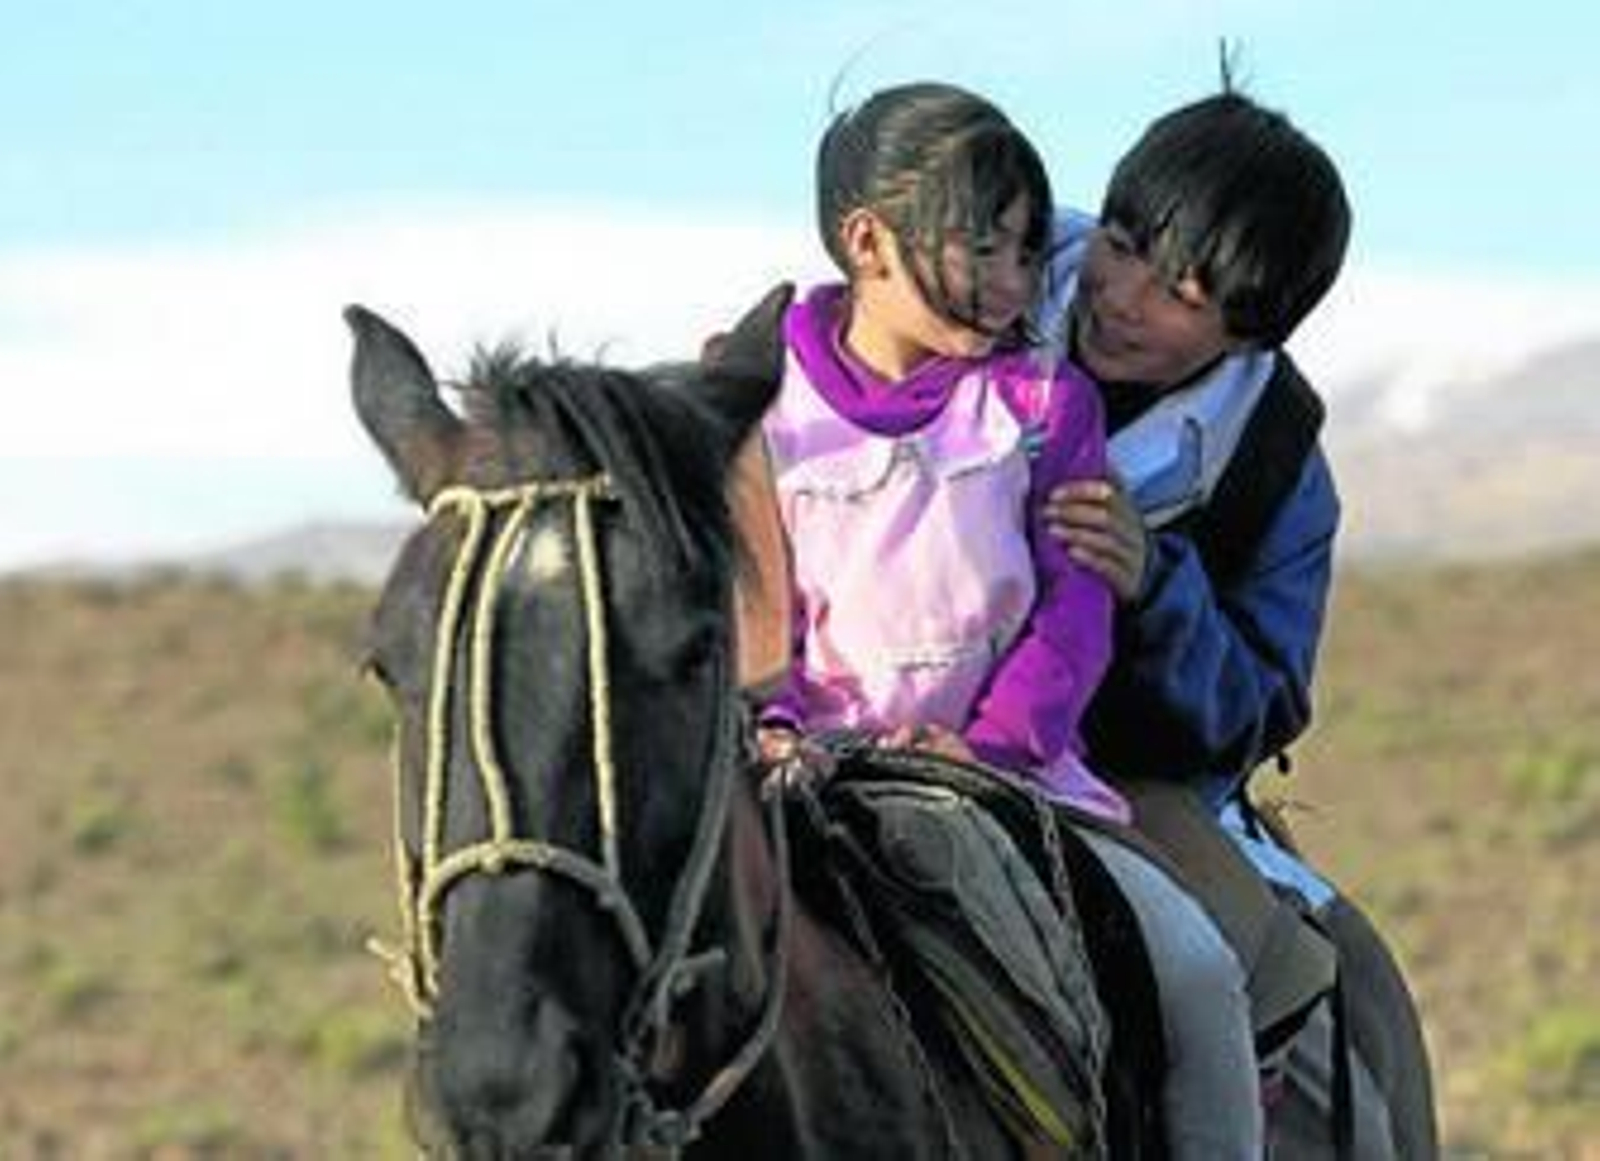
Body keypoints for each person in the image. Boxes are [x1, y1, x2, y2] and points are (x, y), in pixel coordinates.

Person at [754, 80, 1262, 1159]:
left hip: (1009, 778)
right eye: (979, 250)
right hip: (800, 777)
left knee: (1195, 970)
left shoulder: (1042, 408)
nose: (1012, 285)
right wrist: (779, 725)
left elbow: (1074, 611)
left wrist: (990, 746)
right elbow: (756, 607)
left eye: (1029, 254)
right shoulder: (758, 413)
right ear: (867, 242)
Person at [1037, 87, 1354, 1081]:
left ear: (1250, 334)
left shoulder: (1278, 470)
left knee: (1216, 976)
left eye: (1181, 293)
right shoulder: (986, 269)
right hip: (855, 709)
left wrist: (1155, 590)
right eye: (1122, 242)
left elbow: (1262, 703)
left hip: (1115, 777)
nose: (1122, 296)